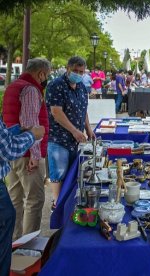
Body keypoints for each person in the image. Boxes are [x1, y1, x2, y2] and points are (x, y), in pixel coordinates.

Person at [2, 57, 51, 241]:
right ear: (41, 73)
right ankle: (28, 245)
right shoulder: (30, 89)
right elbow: (31, 125)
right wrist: (35, 155)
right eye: (47, 75)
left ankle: (13, 244)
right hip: (26, 154)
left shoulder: (13, 86)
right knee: (34, 201)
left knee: (15, 200)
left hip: (10, 153)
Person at [45, 56, 95, 210]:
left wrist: (88, 129)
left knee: (72, 175)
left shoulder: (81, 87)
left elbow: (83, 110)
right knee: (58, 175)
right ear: (67, 68)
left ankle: (67, 207)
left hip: (75, 140)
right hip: (59, 139)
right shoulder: (56, 85)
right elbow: (56, 112)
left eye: (81, 71)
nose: (78, 74)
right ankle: (57, 205)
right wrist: (74, 131)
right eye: (75, 71)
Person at [0, 121, 45, 276]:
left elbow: (2, 138)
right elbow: (8, 149)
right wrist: (33, 135)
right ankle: (25, 250)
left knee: (16, 203)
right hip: (23, 158)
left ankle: (16, 253)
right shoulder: (30, 95)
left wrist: (18, 129)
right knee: (33, 200)